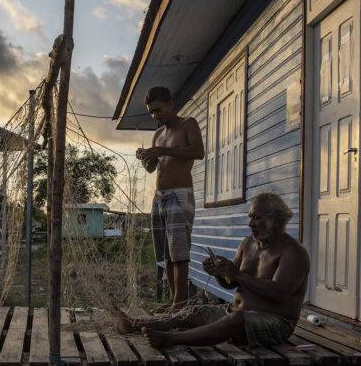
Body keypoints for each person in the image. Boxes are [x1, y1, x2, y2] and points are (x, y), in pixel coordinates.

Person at [116, 192, 310, 349]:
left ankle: (170, 339)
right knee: (194, 312)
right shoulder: (247, 244)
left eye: (257, 218)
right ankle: (135, 324)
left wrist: (237, 274)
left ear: (276, 220)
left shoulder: (293, 252)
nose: (251, 224)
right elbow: (231, 283)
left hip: (275, 323)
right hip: (236, 312)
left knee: (235, 320)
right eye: (250, 217)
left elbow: (278, 294)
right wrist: (219, 273)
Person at [136, 86, 205, 311]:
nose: (155, 115)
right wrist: (145, 156)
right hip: (159, 198)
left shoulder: (188, 124)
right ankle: (173, 299)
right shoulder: (158, 134)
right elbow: (151, 168)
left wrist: (163, 151)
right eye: (151, 112)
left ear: (169, 104)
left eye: (158, 110)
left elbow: (198, 152)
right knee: (165, 253)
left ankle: (180, 302)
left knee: (179, 251)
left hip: (179, 194)